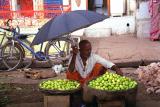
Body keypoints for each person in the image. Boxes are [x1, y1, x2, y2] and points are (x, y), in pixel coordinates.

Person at [66, 40, 123, 107]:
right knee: (69, 73)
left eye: (90, 49)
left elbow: (106, 63)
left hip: (89, 81)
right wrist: (74, 55)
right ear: (80, 50)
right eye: (87, 50)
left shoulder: (93, 56)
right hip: (77, 82)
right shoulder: (74, 57)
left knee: (100, 66)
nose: (89, 52)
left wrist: (117, 68)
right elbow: (71, 70)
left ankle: (91, 94)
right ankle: (79, 94)